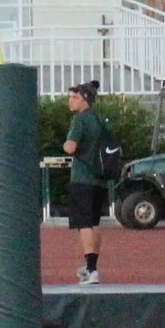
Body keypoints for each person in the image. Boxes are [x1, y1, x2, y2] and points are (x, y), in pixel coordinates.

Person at [64, 81, 109, 285]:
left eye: (75, 97)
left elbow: (71, 147)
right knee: (94, 223)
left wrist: (66, 144)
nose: (70, 101)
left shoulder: (79, 120)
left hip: (82, 178)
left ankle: (91, 270)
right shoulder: (100, 119)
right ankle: (92, 266)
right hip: (99, 180)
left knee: (84, 224)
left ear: (85, 99)